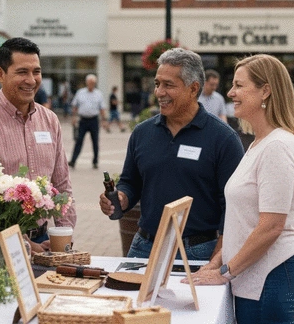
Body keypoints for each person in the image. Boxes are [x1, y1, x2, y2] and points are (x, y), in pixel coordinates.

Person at [99, 48, 244, 260]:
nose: (159, 92)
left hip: (197, 250)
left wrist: (219, 255)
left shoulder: (224, 139)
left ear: (193, 88)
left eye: (168, 85)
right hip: (144, 246)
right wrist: (121, 197)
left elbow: (232, 205)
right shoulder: (142, 133)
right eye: (157, 84)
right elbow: (130, 182)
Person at [182, 54, 294, 324]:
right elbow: (244, 220)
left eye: (239, 86)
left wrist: (225, 270)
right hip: (251, 280)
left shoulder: (277, 146)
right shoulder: (260, 143)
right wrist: (218, 260)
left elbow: (271, 225)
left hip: (269, 282)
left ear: (265, 90)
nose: (230, 92)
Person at [0, 37, 76, 254]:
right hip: (0, 244)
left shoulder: (50, 120)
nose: (31, 80)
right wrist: (27, 246)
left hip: (45, 238)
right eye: (22, 72)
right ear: (0, 74)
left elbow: (62, 184)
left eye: (36, 72)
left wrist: (64, 235)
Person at [68, 74, 107, 169]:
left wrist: (104, 120)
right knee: (79, 140)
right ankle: (73, 160)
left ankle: (95, 161)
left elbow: (102, 108)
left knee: (95, 141)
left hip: (94, 120)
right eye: (90, 82)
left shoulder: (98, 94)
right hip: (83, 120)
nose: (91, 84)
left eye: (93, 83)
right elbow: (75, 106)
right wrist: (74, 118)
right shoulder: (80, 92)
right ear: (86, 83)